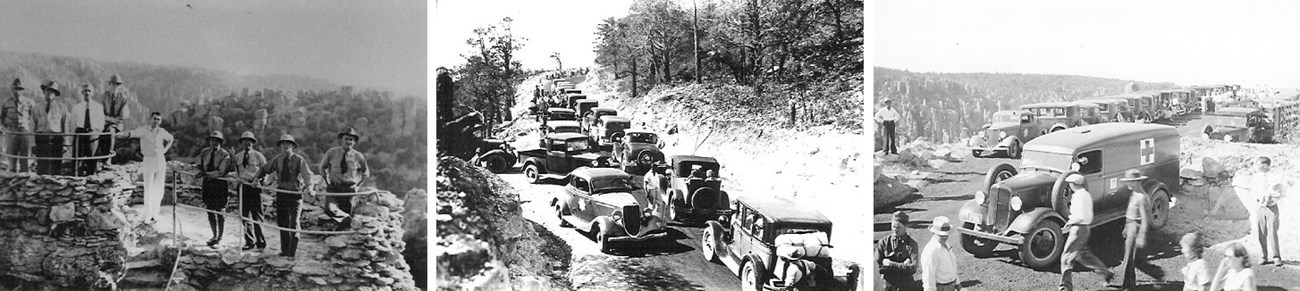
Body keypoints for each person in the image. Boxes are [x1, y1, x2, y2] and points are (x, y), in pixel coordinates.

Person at [255, 134, 316, 257]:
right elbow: (265, 169)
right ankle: (284, 250)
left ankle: (292, 252)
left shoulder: (299, 160)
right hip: (282, 194)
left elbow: (307, 175)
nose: (285, 146)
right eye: (283, 144)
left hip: (295, 194)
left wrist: (310, 187)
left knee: (294, 223)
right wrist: (256, 178)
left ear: (293, 146)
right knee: (282, 222)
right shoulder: (277, 160)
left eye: (288, 144)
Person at [114, 112, 173, 224]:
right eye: (155, 119)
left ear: (160, 121)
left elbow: (171, 139)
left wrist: (164, 150)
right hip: (149, 160)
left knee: (159, 189)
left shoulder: (162, 131)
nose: (156, 121)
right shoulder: (144, 130)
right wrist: (120, 134)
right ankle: (147, 216)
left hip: (160, 160)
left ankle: (155, 215)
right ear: (151, 119)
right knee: (149, 188)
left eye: (158, 120)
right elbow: (132, 133)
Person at [1059, 174, 1114, 291]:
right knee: (1083, 256)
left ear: (1074, 184)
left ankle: (1065, 287)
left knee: (1066, 257)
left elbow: (1080, 216)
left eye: (1070, 183)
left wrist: (1068, 224)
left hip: (1078, 228)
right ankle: (1106, 273)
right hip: (1085, 228)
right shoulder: (1086, 195)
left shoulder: (1078, 196)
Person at [1112, 169, 1163, 289]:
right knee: (1129, 257)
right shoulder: (1134, 194)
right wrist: (1126, 227)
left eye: (1131, 181)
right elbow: (1129, 213)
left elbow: (1145, 219)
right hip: (1130, 226)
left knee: (1129, 258)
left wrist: (1141, 235)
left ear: (1137, 182)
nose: (1128, 184)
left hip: (1136, 228)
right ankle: (1129, 284)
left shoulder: (1142, 197)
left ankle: (1128, 286)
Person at [1236, 156, 1287, 266]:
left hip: (1271, 206)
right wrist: (1257, 202)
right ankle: (1263, 255)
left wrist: (1272, 200)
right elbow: (1253, 191)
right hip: (1259, 206)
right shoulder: (1256, 177)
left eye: (1259, 165)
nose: (1257, 167)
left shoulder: (1274, 176)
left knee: (1272, 231)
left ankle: (1276, 256)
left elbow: (1282, 192)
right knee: (1261, 231)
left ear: (1265, 165)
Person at [321, 127, 369, 231]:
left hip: (349, 190)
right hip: (334, 188)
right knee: (329, 209)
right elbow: (322, 167)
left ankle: (339, 238)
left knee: (346, 213)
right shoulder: (332, 153)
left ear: (354, 142)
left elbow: (366, 173)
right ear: (341, 140)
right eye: (346, 139)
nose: (348, 141)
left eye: (351, 140)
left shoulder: (358, 156)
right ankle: (350, 221)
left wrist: (358, 186)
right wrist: (326, 180)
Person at [232, 131, 268, 251]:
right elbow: (236, 171)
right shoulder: (237, 156)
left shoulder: (258, 156)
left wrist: (260, 182)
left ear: (253, 143)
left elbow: (266, 170)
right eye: (244, 141)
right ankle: (249, 241)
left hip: (255, 187)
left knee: (257, 215)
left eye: (249, 141)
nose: (247, 143)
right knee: (244, 215)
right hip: (243, 187)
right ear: (241, 142)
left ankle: (261, 242)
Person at [195, 131, 231, 247]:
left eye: (216, 140)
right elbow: (200, 166)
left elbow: (221, 172)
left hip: (219, 185)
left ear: (220, 142)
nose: (214, 142)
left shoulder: (225, 154)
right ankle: (214, 235)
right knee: (210, 210)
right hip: (208, 185)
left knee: (220, 211)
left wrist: (205, 174)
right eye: (212, 140)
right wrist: (199, 172)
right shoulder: (205, 152)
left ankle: (220, 237)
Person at [34, 81, 70, 175]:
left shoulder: (62, 108)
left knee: (56, 166)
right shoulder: (36, 107)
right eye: (47, 90)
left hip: (56, 139)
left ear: (55, 94)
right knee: (42, 166)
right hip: (42, 139)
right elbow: (32, 126)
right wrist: (32, 143)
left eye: (52, 91)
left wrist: (66, 143)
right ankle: (40, 188)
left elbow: (65, 126)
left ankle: (55, 188)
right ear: (43, 92)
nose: (49, 93)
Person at [69, 84, 106, 176]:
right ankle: (77, 178)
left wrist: (96, 133)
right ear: (82, 93)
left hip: (93, 133)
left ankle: (91, 179)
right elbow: (73, 123)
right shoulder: (76, 107)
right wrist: (75, 135)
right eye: (85, 91)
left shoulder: (98, 107)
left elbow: (101, 123)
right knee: (78, 157)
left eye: (89, 91)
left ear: (92, 93)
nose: (87, 93)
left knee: (92, 157)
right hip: (80, 134)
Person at [876, 211, 919, 291]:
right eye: (893, 227)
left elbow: (913, 268)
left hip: (906, 287)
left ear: (906, 226)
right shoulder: (883, 242)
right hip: (888, 286)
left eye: (898, 227)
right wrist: (903, 265)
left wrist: (890, 264)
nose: (895, 230)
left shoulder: (912, 244)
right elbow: (876, 267)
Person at [2, 78, 36, 172]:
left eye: (20, 89)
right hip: (11, 132)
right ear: (12, 89)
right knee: (12, 159)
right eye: (16, 89)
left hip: (24, 132)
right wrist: (4, 128)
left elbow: (34, 118)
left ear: (23, 90)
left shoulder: (29, 103)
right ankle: (12, 183)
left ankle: (25, 182)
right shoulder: (6, 102)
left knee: (24, 159)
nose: (17, 91)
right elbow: (2, 117)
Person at [98, 74, 132, 164]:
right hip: (104, 122)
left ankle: (108, 157)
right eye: (113, 84)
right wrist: (111, 119)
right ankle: (97, 159)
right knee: (97, 133)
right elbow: (100, 113)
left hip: (116, 125)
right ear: (109, 85)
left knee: (110, 131)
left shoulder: (123, 98)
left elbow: (123, 115)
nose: (114, 86)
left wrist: (113, 121)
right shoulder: (103, 96)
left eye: (117, 84)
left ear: (120, 86)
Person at [920, 216, 961, 291]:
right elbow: (928, 278)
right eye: (941, 235)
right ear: (933, 233)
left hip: (952, 287)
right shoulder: (931, 251)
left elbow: (952, 269)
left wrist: (958, 285)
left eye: (946, 234)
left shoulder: (947, 246)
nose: (945, 237)